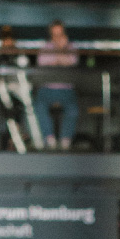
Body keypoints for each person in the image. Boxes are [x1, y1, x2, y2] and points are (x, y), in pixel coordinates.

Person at [34, 20, 80, 149]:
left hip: (66, 89)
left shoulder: (71, 47)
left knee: (73, 109)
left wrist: (60, 50)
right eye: (55, 34)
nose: (57, 37)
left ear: (64, 33)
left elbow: (71, 62)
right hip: (47, 88)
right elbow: (43, 64)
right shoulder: (45, 48)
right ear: (51, 35)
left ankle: (66, 140)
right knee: (39, 106)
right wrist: (60, 58)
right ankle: (49, 139)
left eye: (60, 34)